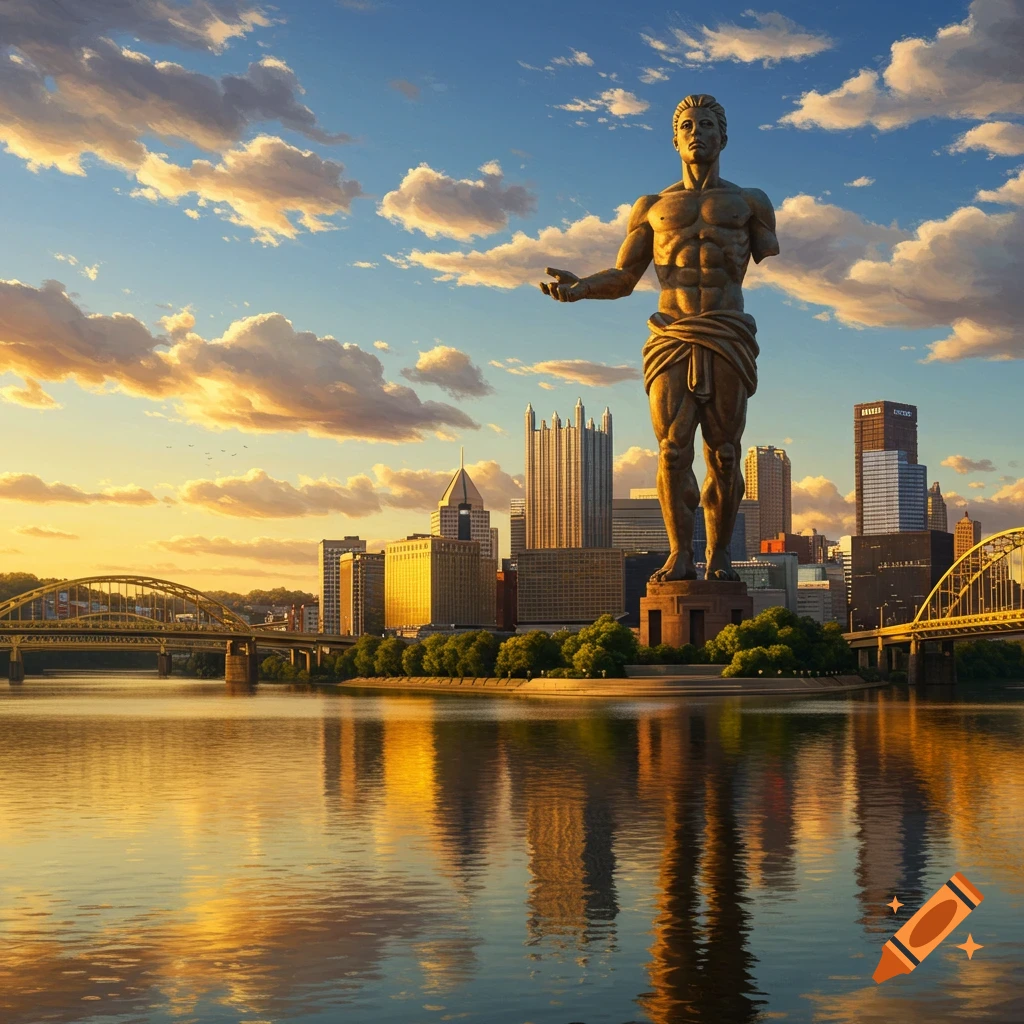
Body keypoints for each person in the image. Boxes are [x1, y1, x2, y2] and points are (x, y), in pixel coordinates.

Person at [540, 94, 779, 582]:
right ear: (675, 139)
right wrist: (582, 288)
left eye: (707, 124)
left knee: (726, 453)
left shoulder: (750, 202)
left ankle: (719, 558)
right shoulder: (652, 207)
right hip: (670, 334)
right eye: (687, 125)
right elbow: (626, 277)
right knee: (672, 450)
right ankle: (679, 555)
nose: (697, 132)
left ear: (724, 137)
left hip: (727, 332)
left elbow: (764, 254)